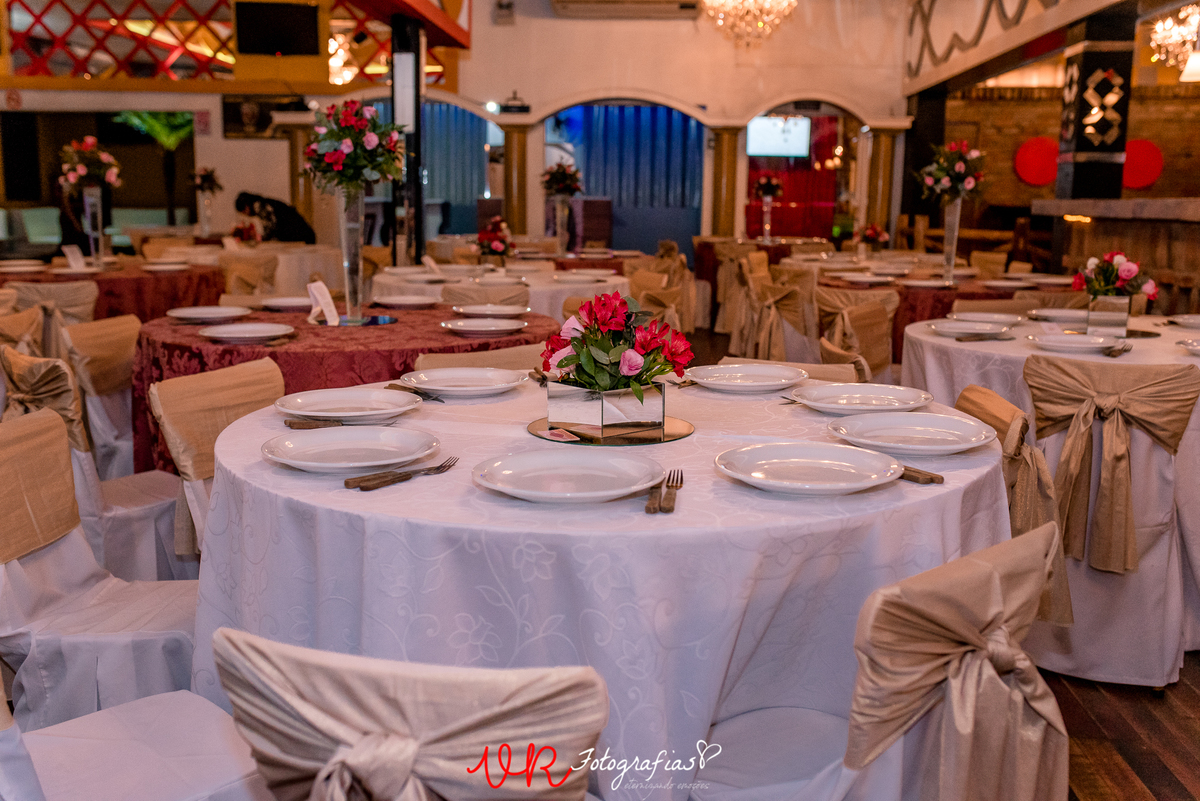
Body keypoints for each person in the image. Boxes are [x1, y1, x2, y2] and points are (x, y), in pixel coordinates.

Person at [234, 193, 316, 244]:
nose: (246, 215)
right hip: (302, 235)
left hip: (301, 236)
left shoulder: (259, 205)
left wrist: (260, 240)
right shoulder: (264, 203)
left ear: (246, 207)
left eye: (243, 212)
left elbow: (270, 227)